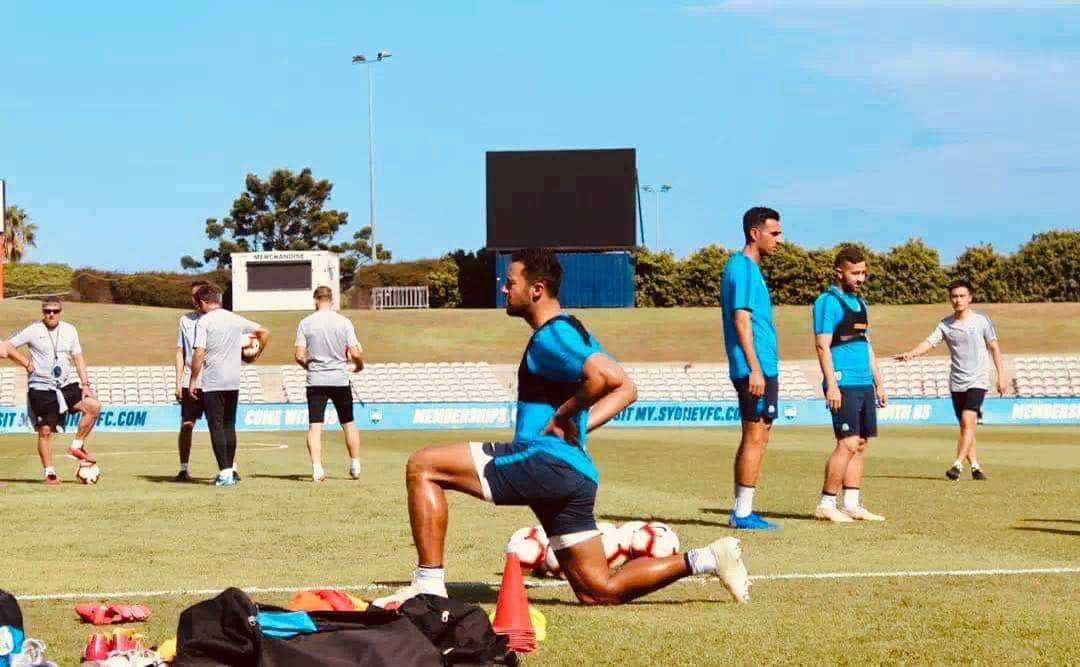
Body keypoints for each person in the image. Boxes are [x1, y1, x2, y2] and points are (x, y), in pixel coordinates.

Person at [374, 248, 750, 609]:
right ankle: (706, 558)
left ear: (536, 289)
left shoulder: (551, 334)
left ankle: (428, 587)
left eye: (511, 282)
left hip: (542, 462)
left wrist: (562, 416)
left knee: (424, 466)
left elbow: (607, 378)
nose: (504, 289)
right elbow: (627, 388)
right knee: (597, 590)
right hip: (574, 474)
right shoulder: (573, 329)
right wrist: (578, 423)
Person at [895, 279, 1006, 481]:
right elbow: (930, 342)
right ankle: (975, 467)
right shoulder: (945, 324)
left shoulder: (981, 321)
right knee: (966, 427)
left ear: (970, 298)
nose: (957, 300)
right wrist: (911, 354)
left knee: (967, 421)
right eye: (954, 296)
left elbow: (994, 348)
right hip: (956, 381)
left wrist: (1001, 376)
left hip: (978, 380)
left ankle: (957, 465)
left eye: (962, 296)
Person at [811, 246, 888, 522]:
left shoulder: (861, 305)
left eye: (863, 272)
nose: (861, 278)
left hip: (864, 382)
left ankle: (852, 503)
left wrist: (878, 383)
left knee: (861, 443)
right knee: (847, 442)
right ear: (839, 272)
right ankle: (826, 503)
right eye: (855, 273)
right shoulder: (827, 302)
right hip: (843, 382)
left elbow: (867, 346)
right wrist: (832, 384)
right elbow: (822, 345)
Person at [719, 206, 783, 530]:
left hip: (761, 366)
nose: (779, 240)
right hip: (753, 368)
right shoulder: (742, 267)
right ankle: (741, 512)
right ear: (754, 233)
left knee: (760, 433)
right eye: (774, 233)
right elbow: (741, 320)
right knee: (755, 434)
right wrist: (755, 369)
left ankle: (744, 509)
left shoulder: (749, 269)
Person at [2, 297, 102, 484]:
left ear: (60, 312)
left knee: (93, 406)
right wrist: (25, 362)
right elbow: (5, 346)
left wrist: (86, 384)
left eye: (55, 311)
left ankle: (76, 446)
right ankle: (50, 473)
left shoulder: (70, 330)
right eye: (47, 310)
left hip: (63, 385)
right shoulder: (33, 329)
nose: (51, 314)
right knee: (46, 431)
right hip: (40, 386)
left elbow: (78, 357)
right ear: (43, 312)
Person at [188, 284, 270, 486]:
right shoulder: (235, 318)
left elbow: (199, 352)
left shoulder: (204, 322)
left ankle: (224, 473)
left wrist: (192, 380)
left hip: (213, 381)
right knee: (229, 425)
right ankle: (231, 469)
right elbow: (264, 331)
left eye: (198, 304)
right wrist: (255, 356)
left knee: (216, 425)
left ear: (203, 302)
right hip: (233, 380)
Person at [294, 285, 364, 482]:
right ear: (332, 300)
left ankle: (317, 468)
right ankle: (355, 464)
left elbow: (299, 355)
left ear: (315, 300)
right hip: (340, 379)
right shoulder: (344, 322)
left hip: (316, 379)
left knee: (315, 426)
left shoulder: (306, 323)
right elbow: (355, 352)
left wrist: (309, 366)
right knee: (348, 423)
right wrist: (359, 366)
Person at [173, 280, 209, 482]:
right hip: (189, 380)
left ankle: (229, 468)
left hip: (213, 379)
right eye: (192, 296)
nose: (194, 300)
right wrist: (178, 382)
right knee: (186, 424)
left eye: (197, 296)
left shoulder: (218, 319)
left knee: (219, 425)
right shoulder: (185, 320)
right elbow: (180, 351)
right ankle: (183, 468)